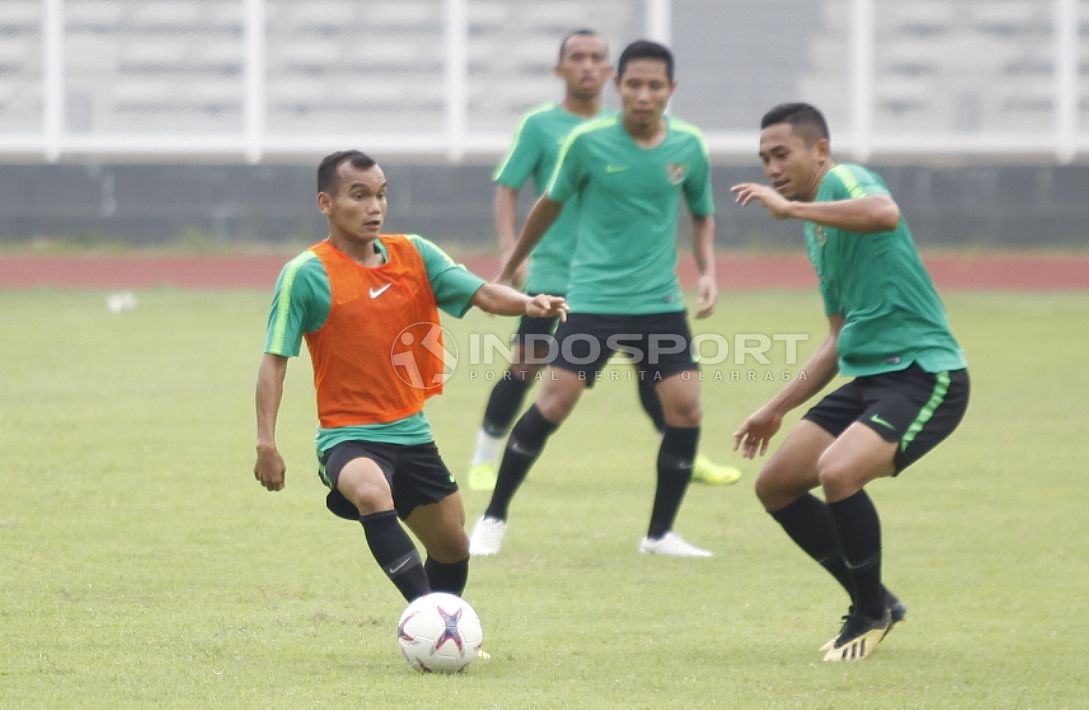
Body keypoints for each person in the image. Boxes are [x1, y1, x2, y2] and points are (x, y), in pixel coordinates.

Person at [253, 150, 568, 607]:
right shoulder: (306, 274)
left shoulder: (414, 253)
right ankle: (432, 621)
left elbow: (480, 292)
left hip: (412, 431)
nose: (374, 207)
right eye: (358, 196)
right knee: (370, 490)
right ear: (326, 203)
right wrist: (267, 442)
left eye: (381, 195)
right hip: (348, 436)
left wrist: (527, 303)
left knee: (453, 545)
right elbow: (274, 361)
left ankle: (437, 631)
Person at [730, 103, 969, 662]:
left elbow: (884, 212)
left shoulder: (844, 180)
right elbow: (839, 338)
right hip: (868, 378)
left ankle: (869, 613)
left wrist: (789, 209)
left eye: (781, 153)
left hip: (923, 373)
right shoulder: (818, 231)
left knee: (837, 472)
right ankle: (877, 598)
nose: (772, 167)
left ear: (820, 150)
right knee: (777, 485)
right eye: (764, 158)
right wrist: (776, 408)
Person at [469, 40, 720, 559]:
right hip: (596, 302)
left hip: (660, 307)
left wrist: (708, 271)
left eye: (655, 86)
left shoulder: (690, 146)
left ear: (671, 90)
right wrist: (515, 260)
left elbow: (701, 212)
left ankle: (659, 535)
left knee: (686, 410)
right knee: (553, 404)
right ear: (618, 86)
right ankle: (493, 517)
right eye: (634, 84)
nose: (644, 95)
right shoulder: (587, 142)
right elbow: (547, 204)